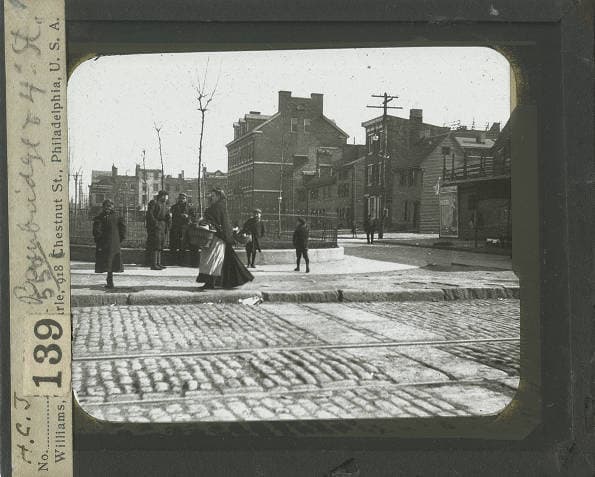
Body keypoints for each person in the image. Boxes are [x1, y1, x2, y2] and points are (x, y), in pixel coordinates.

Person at [196, 188, 254, 290]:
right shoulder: (218, 207)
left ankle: (210, 283)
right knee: (216, 260)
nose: (211, 197)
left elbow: (221, 224)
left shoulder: (218, 208)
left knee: (212, 261)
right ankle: (219, 282)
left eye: (213, 196)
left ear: (218, 196)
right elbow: (224, 224)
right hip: (216, 237)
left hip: (217, 239)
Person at [92, 199, 126, 289]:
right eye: (107, 206)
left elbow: (96, 231)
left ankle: (109, 281)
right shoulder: (116, 216)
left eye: (109, 206)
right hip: (111, 244)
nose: (108, 208)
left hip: (106, 243)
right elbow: (123, 230)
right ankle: (109, 280)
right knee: (110, 262)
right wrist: (119, 240)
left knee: (108, 263)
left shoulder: (100, 217)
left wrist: (98, 240)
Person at [145, 190, 170, 270]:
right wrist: (155, 223)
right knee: (156, 244)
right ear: (162, 196)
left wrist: (168, 223)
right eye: (166, 196)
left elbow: (167, 215)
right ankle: (153, 264)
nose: (167, 198)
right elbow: (150, 214)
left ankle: (158, 263)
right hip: (156, 226)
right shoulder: (154, 202)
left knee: (160, 245)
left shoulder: (165, 205)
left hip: (162, 226)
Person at [169, 193, 193, 265]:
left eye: (183, 198)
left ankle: (182, 261)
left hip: (185, 229)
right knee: (174, 245)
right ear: (178, 199)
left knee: (183, 246)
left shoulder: (189, 207)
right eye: (180, 198)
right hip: (175, 228)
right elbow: (171, 216)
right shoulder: (174, 207)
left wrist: (188, 217)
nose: (181, 200)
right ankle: (173, 261)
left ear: (186, 199)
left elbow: (193, 216)